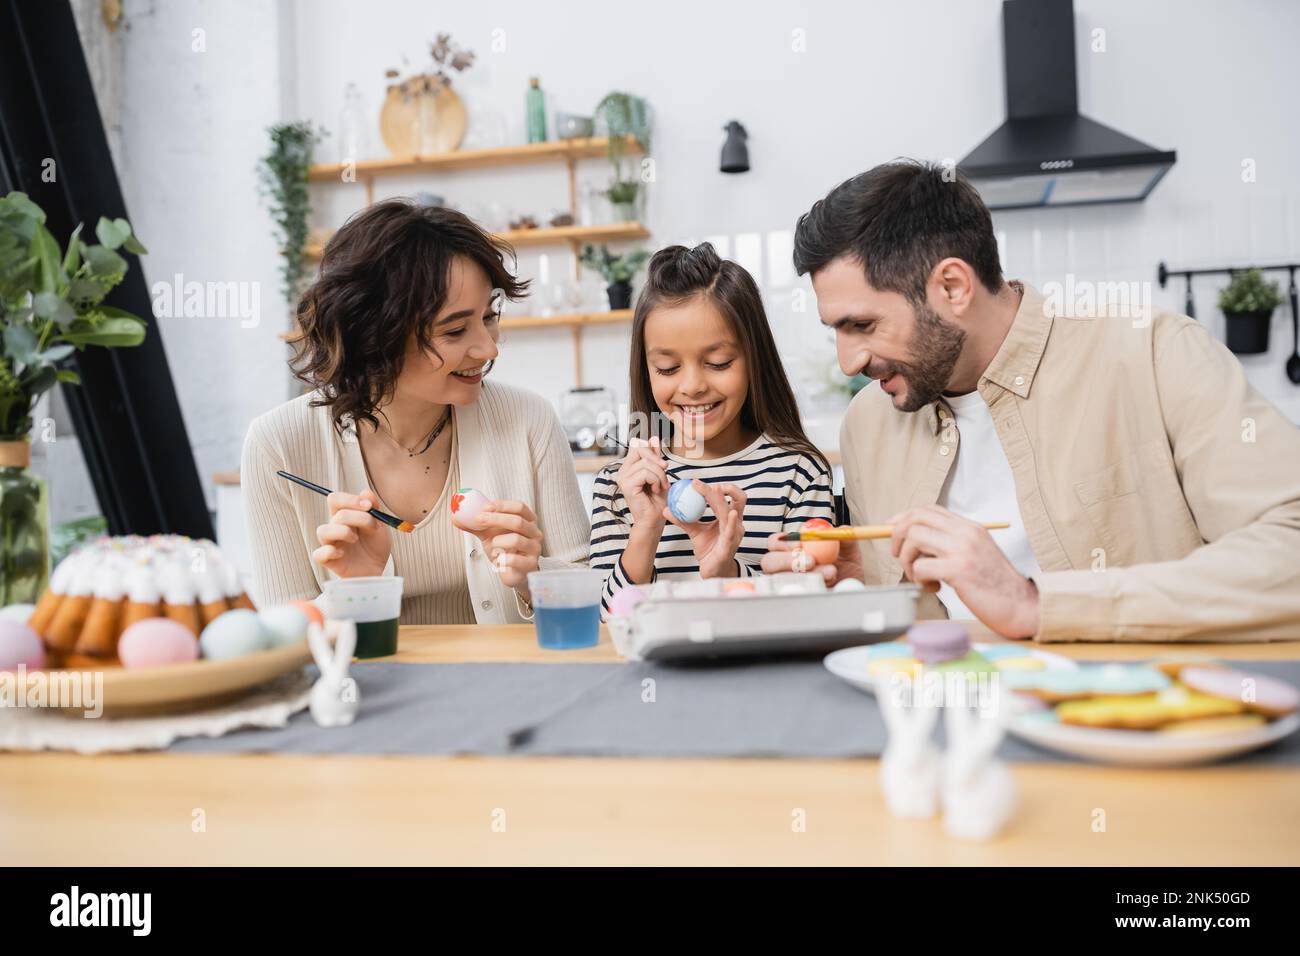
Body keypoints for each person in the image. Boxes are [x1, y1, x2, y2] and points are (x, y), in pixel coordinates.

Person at [765, 159, 1300, 642]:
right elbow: (924, 627)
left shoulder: (1153, 354)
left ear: (952, 286)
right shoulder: (868, 423)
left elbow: (1288, 548)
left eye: (863, 325)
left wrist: (1034, 604)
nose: (848, 362)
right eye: (836, 331)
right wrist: (863, 581)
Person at [241, 200, 589, 623]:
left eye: (489, 316)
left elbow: (589, 592)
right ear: (375, 334)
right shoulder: (279, 445)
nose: (489, 348)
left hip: (510, 684)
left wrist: (532, 577)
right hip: (367, 690)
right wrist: (356, 593)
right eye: (455, 330)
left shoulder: (528, 420)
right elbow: (284, 633)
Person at [591, 242, 835, 617]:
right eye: (668, 369)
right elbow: (603, 626)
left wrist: (727, 571)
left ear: (754, 358)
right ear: (646, 371)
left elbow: (810, 614)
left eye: (718, 363)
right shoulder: (619, 486)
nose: (692, 386)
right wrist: (645, 529)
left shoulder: (798, 475)